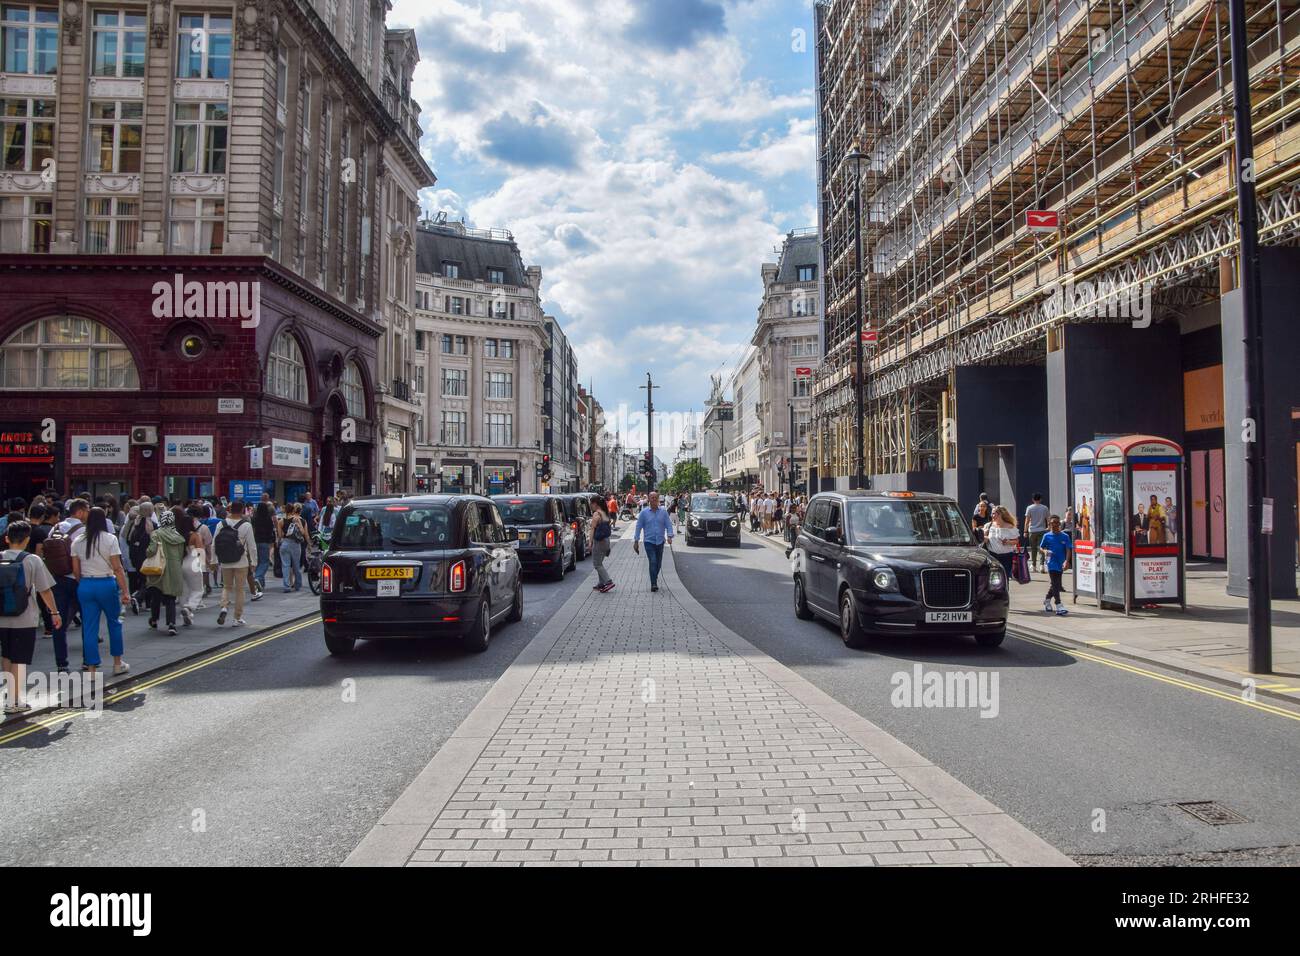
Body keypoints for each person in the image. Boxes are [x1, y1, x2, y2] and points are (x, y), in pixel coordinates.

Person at [0, 521, 60, 714]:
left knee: (7, 655)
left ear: (7, 538)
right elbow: (45, 590)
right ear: (27, 540)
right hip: (24, 618)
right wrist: (54, 612)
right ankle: (15, 701)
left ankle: (10, 696)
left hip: (1, 618)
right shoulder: (32, 560)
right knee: (20, 659)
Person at [73, 506, 131, 675]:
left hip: (85, 585)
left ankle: (91, 669)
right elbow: (118, 568)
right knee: (114, 623)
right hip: (106, 583)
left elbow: (76, 570)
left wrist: (83, 582)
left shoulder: (78, 541)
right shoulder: (110, 539)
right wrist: (125, 591)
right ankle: (117, 664)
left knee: (89, 628)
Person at [44, 498, 89, 674]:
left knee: (59, 623)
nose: (87, 514)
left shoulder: (55, 528)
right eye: (86, 510)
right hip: (78, 579)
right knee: (87, 621)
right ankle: (87, 661)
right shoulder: (84, 531)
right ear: (79, 512)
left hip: (57, 580)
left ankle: (61, 664)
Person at [213, 499, 256, 625]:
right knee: (240, 589)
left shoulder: (221, 524)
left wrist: (214, 560)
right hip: (241, 561)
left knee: (227, 586)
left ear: (230, 510)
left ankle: (224, 607)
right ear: (242, 510)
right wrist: (254, 562)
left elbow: (214, 543)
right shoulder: (246, 525)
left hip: (225, 561)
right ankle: (237, 618)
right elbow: (252, 546)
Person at [144, 509, 186, 636]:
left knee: (156, 595)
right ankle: (172, 624)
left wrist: (147, 552)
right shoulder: (178, 536)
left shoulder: (156, 534)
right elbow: (180, 555)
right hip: (174, 569)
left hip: (159, 568)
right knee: (171, 597)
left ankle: (154, 620)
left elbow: (151, 551)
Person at [632, 491, 674, 592]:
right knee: (653, 561)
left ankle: (654, 577)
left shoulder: (663, 512)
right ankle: (653, 583)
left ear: (658, 499)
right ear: (649, 500)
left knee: (658, 563)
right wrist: (636, 540)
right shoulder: (644, 513)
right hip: (648, 542)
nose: (654, 500)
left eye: (656, 498)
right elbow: (638, 527)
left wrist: (669, 536)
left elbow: (668, 524)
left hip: (660, 541)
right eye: (652, 498)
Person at [1038, 514, 1072, 616]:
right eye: (1052, 523)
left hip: (1061, 563)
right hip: (1051, 562)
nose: (1055, 525)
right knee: (1056, 583)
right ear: (1049, 524)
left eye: (1057, 523)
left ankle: (1047, 600)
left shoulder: (1065, 536)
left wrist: (1067, 561)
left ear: (1060, 524)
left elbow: (1068, 549)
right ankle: (1059, 605)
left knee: (1055, 584)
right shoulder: (1046, 536)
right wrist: (1045, 551)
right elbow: (1041, 547)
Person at [278, 503, 309, 592]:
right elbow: (303, 532)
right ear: (293, 510)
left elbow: (280, 535)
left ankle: (286, 586)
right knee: (296, 565)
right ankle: (297, 585)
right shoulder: (296, 519)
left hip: (284, 543)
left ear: (285, 510)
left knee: (285, 566)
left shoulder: (281, 521)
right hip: (295, 544)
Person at [985, 506, 1020, 579]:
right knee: (993, 578)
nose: (992, 515)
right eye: (991, 513)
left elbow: (1016, 541)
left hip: (1006, 557)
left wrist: (1008, 542)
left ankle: (1004, 590)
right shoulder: (989, 526)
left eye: (994, 513)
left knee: (1005, 577)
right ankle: (994, 591)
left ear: (1000, 514)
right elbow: (987, 538)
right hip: (992, 555)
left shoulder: (1010, 527)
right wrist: (984, 538)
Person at [251, 499, 276, 592]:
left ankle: (261, 583)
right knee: (264, 562)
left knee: (257, 562)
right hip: (265, 542)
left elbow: (252, 530)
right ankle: (258, 577)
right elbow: (271, 531)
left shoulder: (254, 518)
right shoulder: (268, 519)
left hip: (255, 541)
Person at [590, 499, 615, 593]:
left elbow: (592, 529)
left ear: (595, 504)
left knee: (597, 564)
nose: (591, 506)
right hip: (607, 541)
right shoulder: (605, 513)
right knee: (600, 562)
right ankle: (601, 583)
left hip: (599, 541)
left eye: (591, 504)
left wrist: (590, 542)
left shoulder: (596, 514)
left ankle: (608, 581)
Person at [1022, 493, 1049, 573]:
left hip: (1032, 531)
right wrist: (1049, 528)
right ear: (1040, 499)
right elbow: (1048, 518)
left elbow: (1027, 521)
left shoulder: (1029, 508)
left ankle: (1033, 566)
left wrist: (1025, 531)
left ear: (1033, 500)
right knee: (1042, 548)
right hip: (1042, 530)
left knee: (1033, 549)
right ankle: (1041, 566)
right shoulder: (1045, 508)